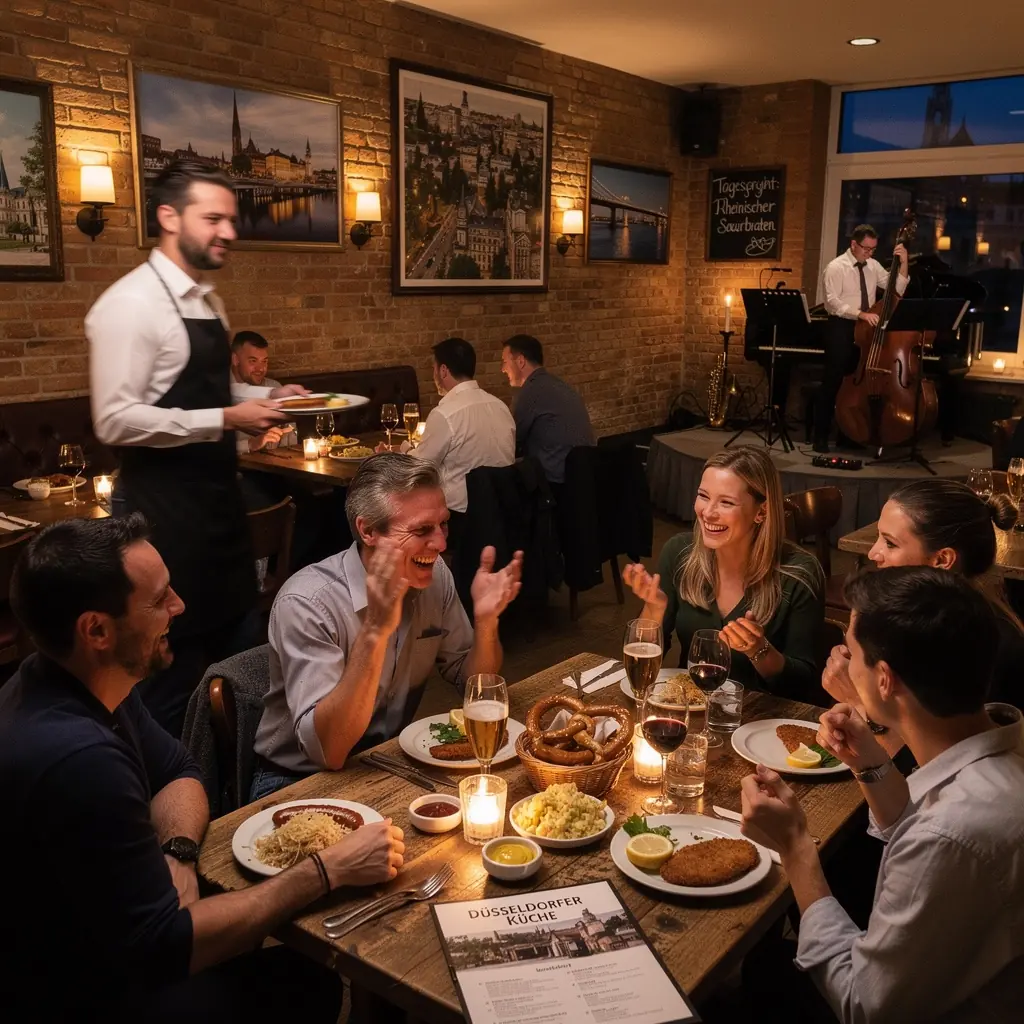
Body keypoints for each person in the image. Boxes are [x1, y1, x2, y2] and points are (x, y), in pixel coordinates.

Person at [0, 515, 404, 1023]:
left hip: (108, 952)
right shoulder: (79, 760)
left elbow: (178, 769)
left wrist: (179, 851)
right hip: (84, 996)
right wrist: (328, 869)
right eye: (159, 599)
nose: (179, 607)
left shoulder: (77, 678)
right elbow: (166, 947)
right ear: (96, 629)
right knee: (309, 984)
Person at [740, 567, 1024, 1022]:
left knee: (763, 969)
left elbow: (864, 1005)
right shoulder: (998, 752)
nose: (843, 662)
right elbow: (919, 821)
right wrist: (870, 764)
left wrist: (795, 849)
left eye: (851, 653)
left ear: (885, 679)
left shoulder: (951, 835)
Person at [87, 159, 308, 737]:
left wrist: (265, 394)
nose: (228, 231)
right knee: (168, 688)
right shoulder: (129, 304)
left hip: (218, 520)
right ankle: (165, 790)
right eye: (213, 219)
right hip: (161, 525)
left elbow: (197, 391)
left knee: (244, 676)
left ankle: (241, 783)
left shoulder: (207, 300)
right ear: (168, 216)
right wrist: (228, 418)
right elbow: (114, 419)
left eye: (230, 219)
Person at [251, 453, 523, 799]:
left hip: (382, 760)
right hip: (296, 780)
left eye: (443, 524)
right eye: (422, 530)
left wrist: (486, 622)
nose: (441, 544)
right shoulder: (307, 602)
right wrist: (376, 630)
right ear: (368, 531)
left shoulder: (434, 575)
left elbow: (473, 684)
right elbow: (330, 751)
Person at [623, 446, 824, 698]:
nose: (708, 513)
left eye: (726, 502)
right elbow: (641, 671)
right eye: (703, 496)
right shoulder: (679, 552)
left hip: (760, 715)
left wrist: (759, 651)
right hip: (689, 710)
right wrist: (655, 609)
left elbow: (804, 686)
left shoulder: (799, 573)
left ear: (761, 511)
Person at [823, 479, 1024, 726]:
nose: (873, 553)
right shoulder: (907, 616)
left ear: (942, 559)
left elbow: (938, 748)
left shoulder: (989, 646)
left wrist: (860, 699)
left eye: (890, 543)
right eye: (878, 537)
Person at [389, 337, 514, 545]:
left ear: (443, 370)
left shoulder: (445, 413)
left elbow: (420, 468)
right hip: (506, 515)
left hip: (461, 521)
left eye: (434, 368)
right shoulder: (501, 407)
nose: (434, 374)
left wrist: (402, 449)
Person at [815, 225, 909, 452]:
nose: (869, 253)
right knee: (834, 380)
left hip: (866, 330)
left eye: (873, 249)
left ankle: (849, 434)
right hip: (842, 326)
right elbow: (832, 302)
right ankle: (820, 436)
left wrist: (904, 262)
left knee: (857, 381)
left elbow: (896, 289)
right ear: (853, 244)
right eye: (866, 248)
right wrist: (861, 314)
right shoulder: (836, 267)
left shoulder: (873, 266)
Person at [500, 333, 595, 484]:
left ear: (521, 361)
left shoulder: (531, 390)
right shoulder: (559, 385)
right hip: (585, 475)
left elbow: (512, 440)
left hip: (554, 482)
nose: (503, 369)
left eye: (505, 362)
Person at [230, 330, 295, 454]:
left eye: (264, 361)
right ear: (235, 359)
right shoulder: (217, 392)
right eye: (253, 361)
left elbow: (291, 437)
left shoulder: (275, 387)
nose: (260, 369)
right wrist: (251, 444)